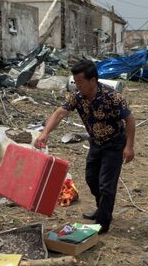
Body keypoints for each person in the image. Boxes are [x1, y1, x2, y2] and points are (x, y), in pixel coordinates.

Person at [33, 60, 135, 234]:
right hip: (95, 142)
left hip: (114, 143)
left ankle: (102, 223)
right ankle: (101, 208)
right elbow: (59, 113)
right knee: (91, 178)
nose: (76, 85)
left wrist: (129, 147)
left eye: (80, 81)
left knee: (106, 185)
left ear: (92, 80)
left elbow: (130, 120)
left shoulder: (112, 96)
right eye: (75, 81)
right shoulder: (77, 96)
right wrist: (45, 133)